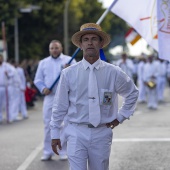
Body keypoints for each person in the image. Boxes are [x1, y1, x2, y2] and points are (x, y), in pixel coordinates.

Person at [50, 23, 139, 170]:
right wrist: (55, 133)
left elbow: (132, 93)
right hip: (76, 131)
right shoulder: (69, 73)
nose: (90, 43)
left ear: (101, 43)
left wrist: (121, 116)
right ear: (80, 44)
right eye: (85, 39)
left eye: (94, 39)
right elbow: (60, 105)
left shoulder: (113, 72)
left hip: (102, 132)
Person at [34, 40, 76, 161]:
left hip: (65, 96)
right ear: (49, 49)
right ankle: (47, 151)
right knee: (48, 124)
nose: (54, 50)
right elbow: (38, 79)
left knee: (65, 123)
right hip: (50, 96)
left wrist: (70, 70)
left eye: (56, 48)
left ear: (61, 48)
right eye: (52, 48)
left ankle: (63, 151)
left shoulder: (69, 61)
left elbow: (78, 76)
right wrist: (43, 88)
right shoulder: (43, 63)